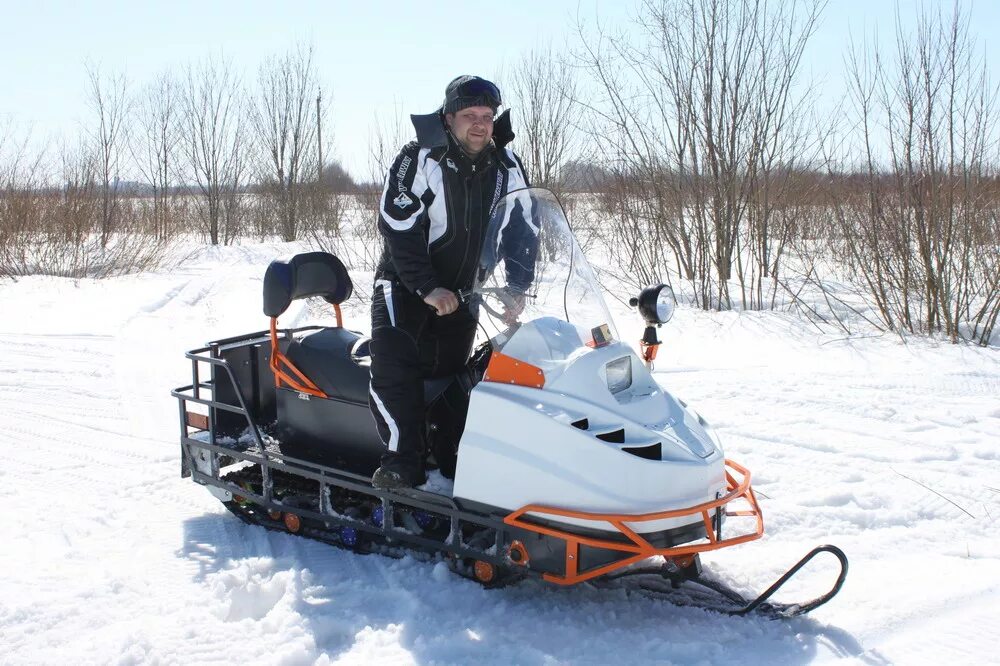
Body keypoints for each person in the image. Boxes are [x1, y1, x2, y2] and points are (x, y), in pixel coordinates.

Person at [368, 75, 535, 490]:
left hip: (465, 291)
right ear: (448, 117)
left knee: (460, 377)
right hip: (405, 288)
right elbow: (398, 227)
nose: (479, 125)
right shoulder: (419, 158)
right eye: (469, 116)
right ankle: (400, 463)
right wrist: (426, 287)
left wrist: (518, 285)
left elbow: (524, 228)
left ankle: (457, 460)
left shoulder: (507, 166)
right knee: (398, 371)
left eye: (486, 116)